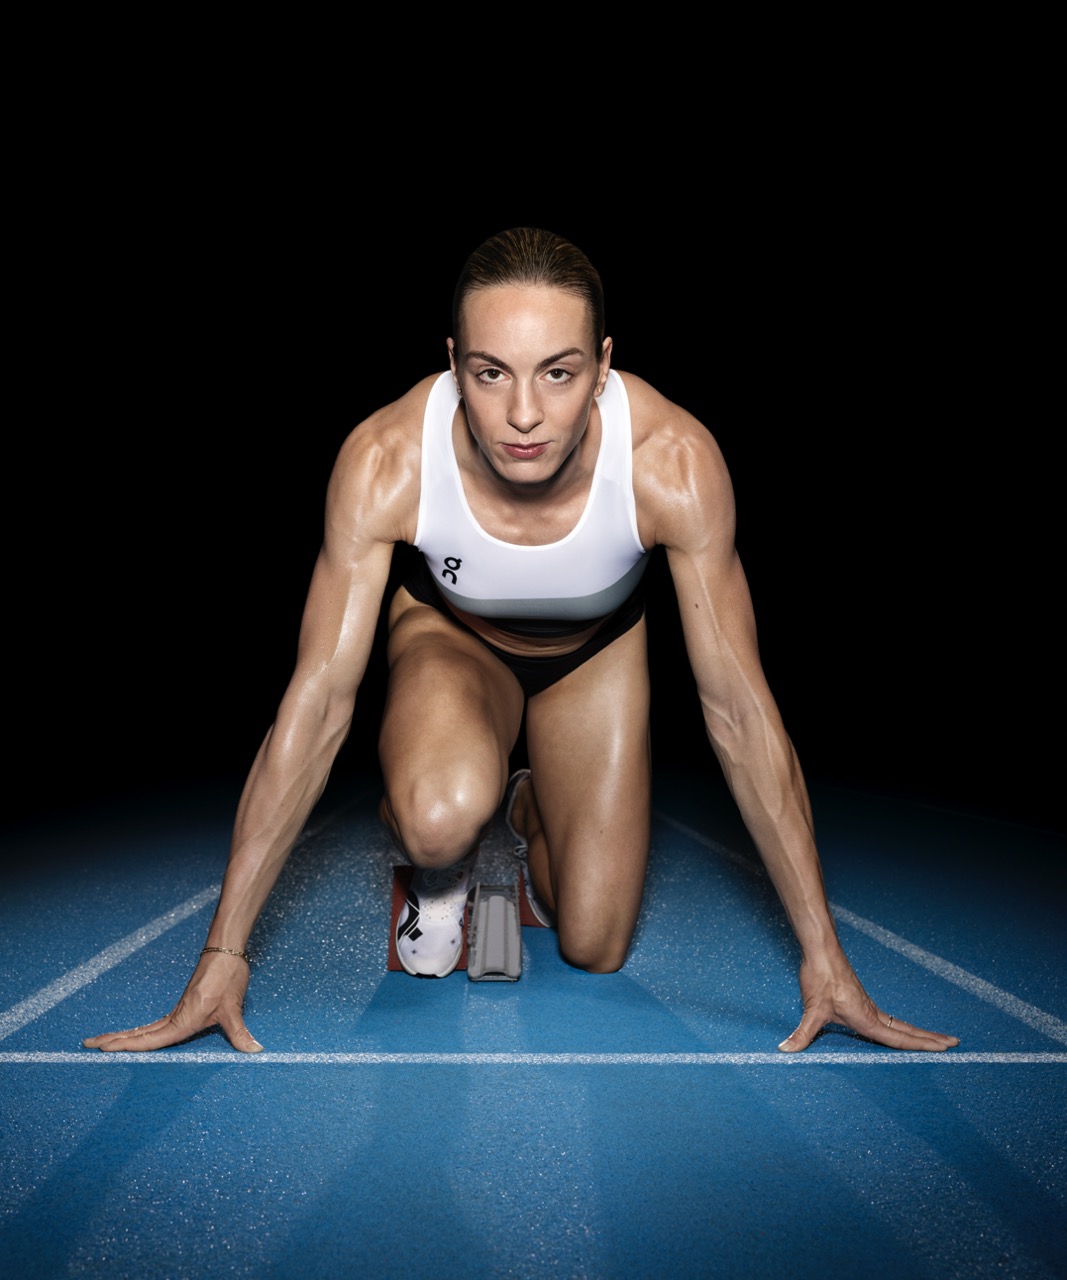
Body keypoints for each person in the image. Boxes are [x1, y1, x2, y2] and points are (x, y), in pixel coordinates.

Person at [84, 227, 959, 1054]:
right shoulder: (388, 459)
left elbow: (737, 708)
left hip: (597, 655)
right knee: (437, 819)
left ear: (604, 367)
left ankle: (528, 805)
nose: (524, 414)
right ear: (453, 365)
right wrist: (223, 954)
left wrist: (823, 957)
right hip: (452, 638)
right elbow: (315, 705)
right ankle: (440, 863)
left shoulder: (671, 462)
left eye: (559, 373)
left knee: (595, 944)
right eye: (491, 373)